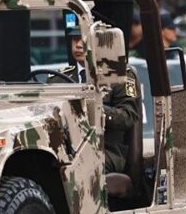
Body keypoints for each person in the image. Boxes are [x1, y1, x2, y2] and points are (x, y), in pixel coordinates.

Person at [53, 24, 139, 174]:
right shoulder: (57, 79)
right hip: (63, 149)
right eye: (75, 39)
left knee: (80, 169)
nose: (79, 45)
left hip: (105, 149)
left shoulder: (120, 76)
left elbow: (128, 117)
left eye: (84, 40)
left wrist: (92, 107)